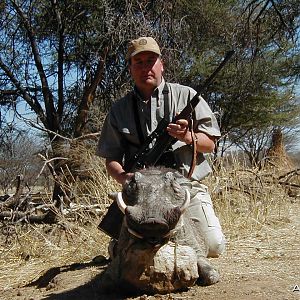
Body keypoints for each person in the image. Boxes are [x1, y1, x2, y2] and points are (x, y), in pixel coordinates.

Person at [96, 36, 225, 258]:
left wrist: (187, 136)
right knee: (125, 252)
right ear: (130, 68)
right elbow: (111, 158)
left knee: (213, 247)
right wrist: (126, 180)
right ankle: (117, 246)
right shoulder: (119, 110)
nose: (145, 67)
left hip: (184, 188)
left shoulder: (187, 96)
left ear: (161, 64)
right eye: (139, 62)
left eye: (151, 60)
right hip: (141, 195)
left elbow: (210, 144)